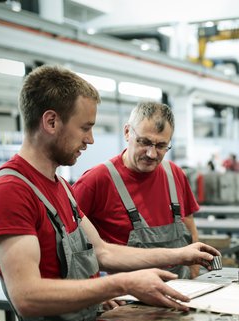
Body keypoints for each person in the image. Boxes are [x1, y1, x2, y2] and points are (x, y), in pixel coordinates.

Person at [0, 65, 219, 321]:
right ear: (52, 121)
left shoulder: (58, 184)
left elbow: (103, 251)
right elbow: (27, 296)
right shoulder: (10, 191)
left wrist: (181, 254)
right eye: (85, 127)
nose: (91, 140)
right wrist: (120, 285)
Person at [73, 101, 201, 279]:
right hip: (127, 300)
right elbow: (73, 249)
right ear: (127, 132)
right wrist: (95, 291)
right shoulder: (95, 182)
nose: (152, 154)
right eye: (144, 142)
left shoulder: (175, 175)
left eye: (161, 146)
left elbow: (190, 228)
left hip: (182, 291)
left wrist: (195, 275)